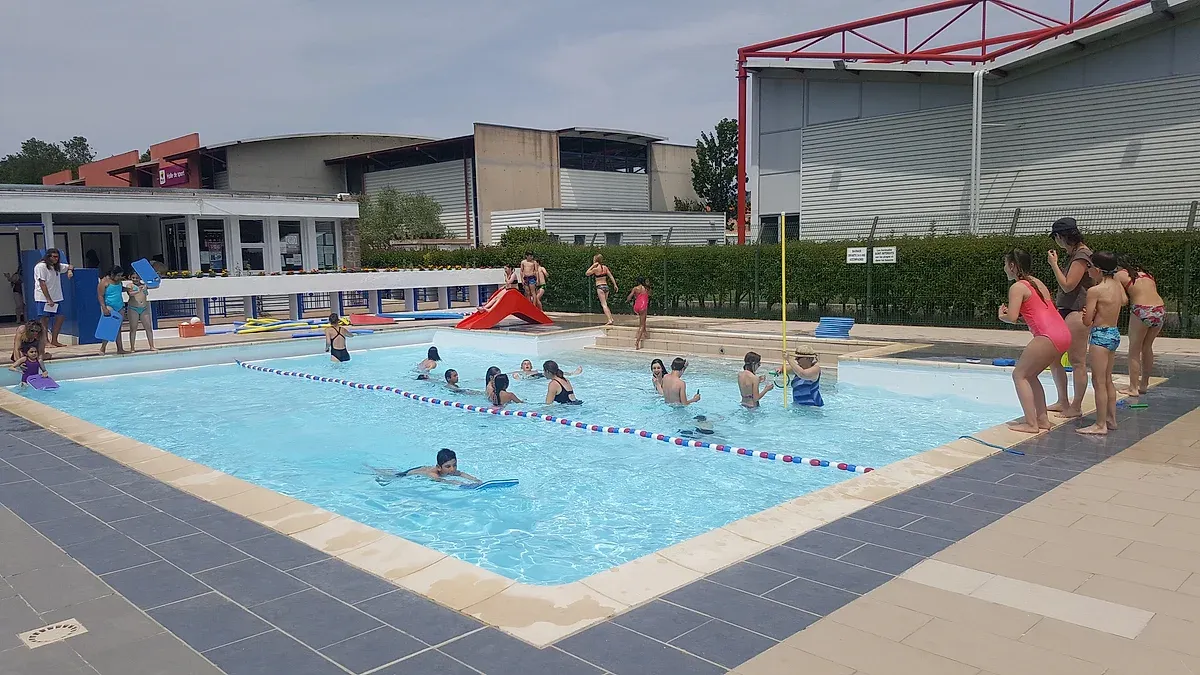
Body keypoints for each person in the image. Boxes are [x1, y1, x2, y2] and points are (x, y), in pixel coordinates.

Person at [999, 249, 1071, 433]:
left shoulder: (1017, 287)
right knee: (1030, 375)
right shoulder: (1037, 283)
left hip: (1048, 336)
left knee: (1019, 375)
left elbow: (1012, 317)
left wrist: (1002, 315)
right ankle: (1042, 420)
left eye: (1005, 264)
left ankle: (1031, 424)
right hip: (1063, 332)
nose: (1004, 268)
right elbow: (1037, 312)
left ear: (1012, 266)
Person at [1047, 217, 1094, 419]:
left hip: (1076, 312)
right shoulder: (1075, 254)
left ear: (1061, 236)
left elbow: (1068, 285)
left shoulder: (1082, 255)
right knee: (1053, 357)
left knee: (1077, 361)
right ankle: (1062, 401)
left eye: (1055, 237)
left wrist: (1054, 265)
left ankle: (1076, 407)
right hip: (1066, 310)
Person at [1078, 252, 1127, 435]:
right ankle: (1111, 419)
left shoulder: (1095, 291)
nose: (1087, 270)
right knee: (1107, 380)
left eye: (1089, 267)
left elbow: (1087, 322)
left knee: (1098, 382)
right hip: (1114, 333)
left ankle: (1100, 425)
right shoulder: (1116, 285)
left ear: (1097, 270)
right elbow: (1124, 301)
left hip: (1100, 336)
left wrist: (1086, 314)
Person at [1116, 256, 1164, 398]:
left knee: (1134, 350)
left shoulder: (1119, 275)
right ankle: (1143, 385)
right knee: (1147, 347)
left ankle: (1133, 388)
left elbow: (1124, 301)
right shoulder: (1147, 274)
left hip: (1141, 309)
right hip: (1159, 309)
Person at [33, 248, 73, 348]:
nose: (56, 259)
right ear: (48, 257)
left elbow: (70, 266)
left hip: (56, 297)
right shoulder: (41, 266)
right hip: (43, 298)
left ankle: (54, 340)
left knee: (60, 317)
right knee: (44, 319)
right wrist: (48, 299)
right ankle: (45, 341)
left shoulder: (56, 266)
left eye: (57, 257)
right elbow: (42, 283)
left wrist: (69, 271)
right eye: (54, 257)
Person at [371, 448, 479, 485]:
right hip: (409, 473)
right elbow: (443, 481)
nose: (452, 469)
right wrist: (460, 484)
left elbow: (461, 474)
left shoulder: (451, 471)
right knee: (392, 476)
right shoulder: (434, 474)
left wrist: (476, 480)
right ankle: (375, 471)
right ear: (439, 467)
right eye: (448, 466)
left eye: (454, 465)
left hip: (422, 467)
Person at [97, 266, 126, 355]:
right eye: (118, 275)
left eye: (121, 275)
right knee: (109, 327)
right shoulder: (104, 281)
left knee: (118, 328)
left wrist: (128, 289)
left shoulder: (119, 281)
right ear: (112, 274)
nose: (119, 277)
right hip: (109, 306)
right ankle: (103, 348)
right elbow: (100, 295)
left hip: (119, 305)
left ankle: (120, 348)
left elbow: (119, 289)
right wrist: (104, 308)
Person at [125, 272, 155, 352]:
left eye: (137, 278)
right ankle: (132, 347)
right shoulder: (130, 285)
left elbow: (156, 285)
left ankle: (152, 346)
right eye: (133, 278)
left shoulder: (144, 285)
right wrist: (138, 290)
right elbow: (130, 294)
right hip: (133, 308)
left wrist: (152, 280)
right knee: (133, 328)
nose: (135, 279)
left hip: (144, 308)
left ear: (140, 278)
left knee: (148, 327)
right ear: (130, 278)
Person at [586, 254, 618, 325]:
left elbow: (587, 273)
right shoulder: (605, 267)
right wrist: (615, 285)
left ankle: (609, 320)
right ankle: (611, 318)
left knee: (604, 304)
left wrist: (592, 266)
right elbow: (611, 276)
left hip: (600, 287)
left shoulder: (595, 269)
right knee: (605, 304)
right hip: (606, 286)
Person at [626, 278, 650, 350]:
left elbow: (629, 297)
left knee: (643, 320)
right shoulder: (646, 288)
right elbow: (649, 295)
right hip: (643, 306)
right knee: (641, 325)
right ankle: (637, 342)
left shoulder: (635, 288)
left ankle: (645, 333)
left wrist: (627, 300)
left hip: (636, 306)